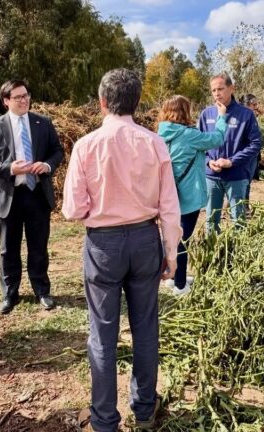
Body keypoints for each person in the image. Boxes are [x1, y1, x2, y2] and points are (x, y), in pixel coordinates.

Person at [63, 69, 181, 432]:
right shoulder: (155, 143)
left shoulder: (86, 145)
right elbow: (169, 205)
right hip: (145, 239)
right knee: (145, 327)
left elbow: (72, 209)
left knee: (102, 332)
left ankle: (104, 420)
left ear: (102, 102)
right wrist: (171, 253)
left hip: (104, 244)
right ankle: (144, 411)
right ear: (137, 102)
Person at [0, 79, 64, 314]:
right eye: (18, 97)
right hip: (8, 195)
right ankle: (10, 294)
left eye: (26, 95)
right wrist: (9, 168)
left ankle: (42, 291)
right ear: (6, 101)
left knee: (39, 246)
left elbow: (57, 151)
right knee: (8, 248)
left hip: (37, 194)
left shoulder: (43, 123)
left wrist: (47, 165)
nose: (24, 100)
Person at [157, 95, 227, 296]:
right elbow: (217, 139)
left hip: (168, 195)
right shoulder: (189, 135)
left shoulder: (160, 134)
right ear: (184, 111)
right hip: (188, 196)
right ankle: (180, 285)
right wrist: (221, 116)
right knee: (183, 239)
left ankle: (171, 276)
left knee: (170, 237)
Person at [198, 74, 261, 232]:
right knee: (211, 221)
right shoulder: (206, 114)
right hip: (211, 177)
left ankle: (238, 247)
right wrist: (208, 161)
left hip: (236, 176)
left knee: (238, 221)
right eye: (213, 90)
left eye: (220, 89)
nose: (217, 93)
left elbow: (255, 144)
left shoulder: (246, 114)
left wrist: (232, 161)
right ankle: (213, 246)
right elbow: (198, 145)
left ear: (231, 89)